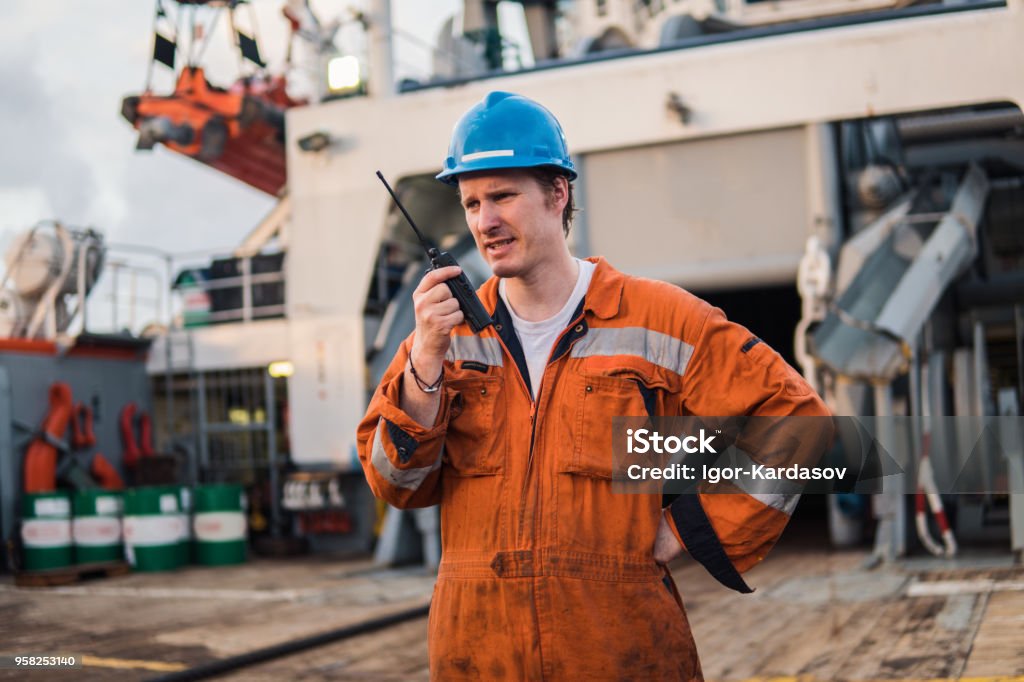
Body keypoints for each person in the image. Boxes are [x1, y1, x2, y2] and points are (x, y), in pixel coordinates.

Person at [357, 91, 831, 680]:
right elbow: (394, 482)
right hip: (477, 655)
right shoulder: (443, 340)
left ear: (559, 193)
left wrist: (689, 527)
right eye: (472, 202)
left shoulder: (660, 319)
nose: (485, 221)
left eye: (503, 196)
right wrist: (426, 359)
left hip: (616, 650)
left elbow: (800, 428)